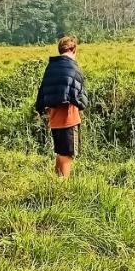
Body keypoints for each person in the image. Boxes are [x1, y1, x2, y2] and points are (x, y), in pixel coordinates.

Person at [34, 36, 88, 178]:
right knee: (67, 155)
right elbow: (80, 97)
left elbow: (42, 93)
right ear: (74, 49)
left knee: (60, 153)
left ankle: (56, 183)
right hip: (69, 119)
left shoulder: (51, 67)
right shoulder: (73, 67)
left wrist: (41, 110)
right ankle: (62, 189)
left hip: (54, 119)